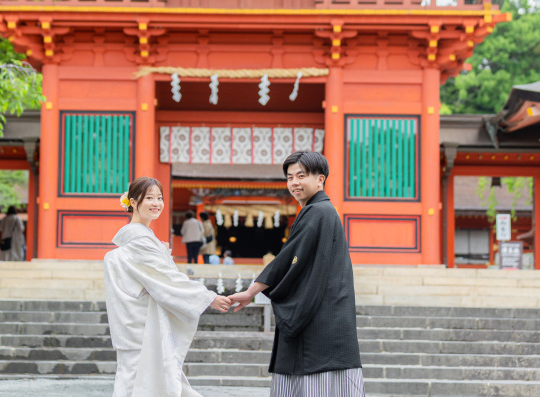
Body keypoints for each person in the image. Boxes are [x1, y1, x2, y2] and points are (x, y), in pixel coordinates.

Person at [229, 151, 365, 396]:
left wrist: (251, 291)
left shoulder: (318, 212)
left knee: (314, 378)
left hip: (319, 318)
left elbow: (288, 258)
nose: (294, 183)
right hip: (331, 314)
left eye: (301, 176)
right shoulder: (324, 211)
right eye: (289, 177)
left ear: (320, 179)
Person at [104, 177, 232, 397]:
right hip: (143, 326)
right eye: (150, 198)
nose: (157, 203)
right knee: (145, 383)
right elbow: (167, 279)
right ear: (133, 202)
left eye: (160, 198)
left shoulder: (140, 238)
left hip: (136, 323)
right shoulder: (139, 241)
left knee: (140, 382)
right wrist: (207, 297)